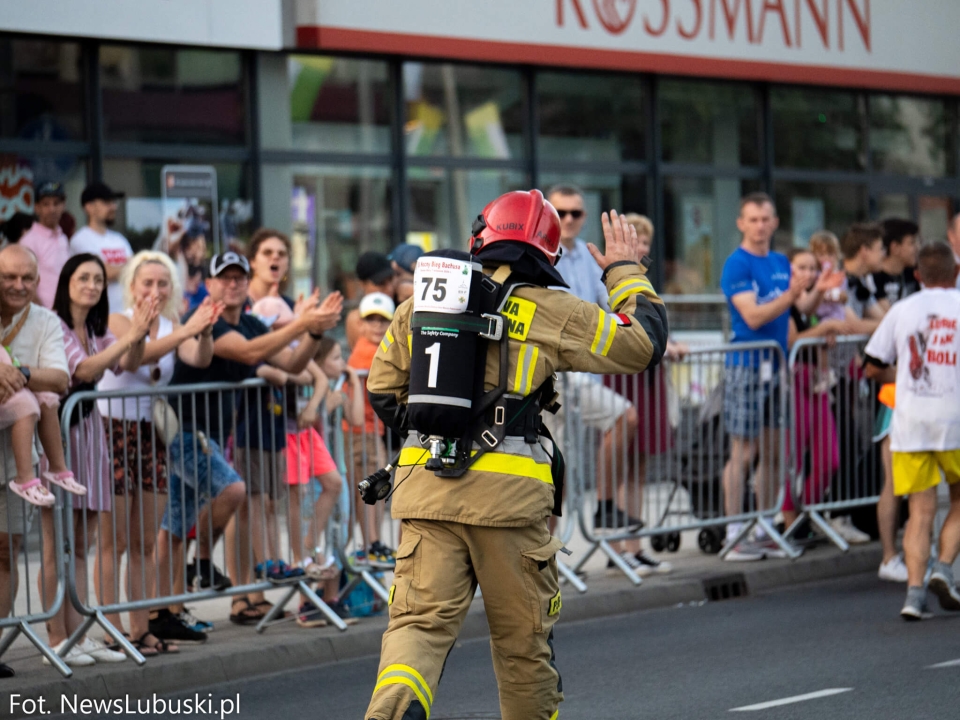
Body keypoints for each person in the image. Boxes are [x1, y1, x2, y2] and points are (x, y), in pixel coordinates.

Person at [363, 189, 667, 720]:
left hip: (426, 492)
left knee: (416, 630)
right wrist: (625, 272)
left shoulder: (424, 305)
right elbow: (641, 345)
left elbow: (382, 390)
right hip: (510, 505)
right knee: (521, 645)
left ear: (481, 239)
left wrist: (440, 433)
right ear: (546, 254)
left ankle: (393, 712)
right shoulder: (553, 310)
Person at [150, 252, 342, 641]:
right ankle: (200, 562)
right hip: (182, 430)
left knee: (173, 526)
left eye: (239, 277)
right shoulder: (208, 321)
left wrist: (314, 333)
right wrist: (301, 322)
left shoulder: (252, 322)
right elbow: (250, 353)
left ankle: (163, 611)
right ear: (212, 284)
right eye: (225, 277)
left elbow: (291, 365)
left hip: (213, 436)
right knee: (233, 489)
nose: (233, 283)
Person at [95, 251, 222, 656]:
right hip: (110, 429)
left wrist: (202, 330)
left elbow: (199, 359)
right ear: (131, 285)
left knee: (145, 540)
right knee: (113, 541)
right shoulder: (116, 318)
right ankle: (111, 626)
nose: (154, 290)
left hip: (150, 434)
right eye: (146, 283)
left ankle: (141, 627)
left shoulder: (174, 325)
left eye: (162, 283)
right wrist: (186, 331)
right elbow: (136, 357)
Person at [40, 252, 158, 667]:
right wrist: (131, 336)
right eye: (82, 277)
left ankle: (79, 633)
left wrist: (141, 330)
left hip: (91, 433)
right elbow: (85, 370)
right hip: (60, 434)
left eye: (96, 278)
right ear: (67, 281)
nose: (91, 285)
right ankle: (57, 636)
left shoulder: (94, 327)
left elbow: (129, 361)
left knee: (82, 540)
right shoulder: (53, 323)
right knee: (58, 540)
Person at [863, 242, 960, 620]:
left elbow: (871, 364)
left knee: (919, 511)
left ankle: (914, 596)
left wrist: (903, 378)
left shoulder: (902, 310)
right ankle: (945, 567)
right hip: (955, 421)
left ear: (917, 275)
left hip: (911, 422)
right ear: (955, 273)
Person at [546, 184, 641, 531]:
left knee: (562, 468)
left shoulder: (588, 255)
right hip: (555, 376)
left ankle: (602, 507)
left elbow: (614, 304)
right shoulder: (541, 253)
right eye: (560, 212)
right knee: (555, 471)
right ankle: (545, 559)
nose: (568, 219)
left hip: (583, 374)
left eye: (576, 213)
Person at [720, 193, 804, 561]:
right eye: (752, 219)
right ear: (741, 222)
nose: (760, 226)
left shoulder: (781, 261)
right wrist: (793, 295)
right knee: (743, 450)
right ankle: (734, 531)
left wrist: (813, 293)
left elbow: (793, 313)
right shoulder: (736, 265)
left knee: (773, 451)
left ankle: (764, 523)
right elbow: (753, 317)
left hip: (777, 366)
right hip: (746, 366)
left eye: (766, 219)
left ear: (775, 222)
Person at [0, 244, 70, 678]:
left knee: (5, 553)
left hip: (13, 450)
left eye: (27, 278)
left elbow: (61, 378)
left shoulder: (44, 321)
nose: (19, 285)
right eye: (9, 277)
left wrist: (18, 371)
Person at [604, 213, 688, 574]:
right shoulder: (609, 278)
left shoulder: (643, 278)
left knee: (640, 467)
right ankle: (618, 546)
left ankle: (634, 546)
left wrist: (670, 343)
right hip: (624, 375)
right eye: (635, 241)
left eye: (646, 243)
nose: (642, 249)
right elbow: (620, 325)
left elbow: (653, 322)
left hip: (648, 374)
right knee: (622, 467)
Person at [294, 337, 365, 628]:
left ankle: (332, 597)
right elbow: (306, 420)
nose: (342, 363)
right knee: (316, 535)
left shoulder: (338, 388)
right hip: (314, 474)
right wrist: (325, 403)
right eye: (336, 358)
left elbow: (358, 418)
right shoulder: (311, 390)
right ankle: (308, 600)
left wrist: (353, 384)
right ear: (320, 363)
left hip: (339, 468)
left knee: (340, 531)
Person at [781, 248, 846, 534]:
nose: (809, 273)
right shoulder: (784, 301)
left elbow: (816, 320)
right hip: (794, 380)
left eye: (812, 268)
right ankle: (789, 519)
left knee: (829, 459)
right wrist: (826, 329)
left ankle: (805, 513)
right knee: (791, 456)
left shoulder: (812, 303)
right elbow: (793, 339)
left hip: (817, 381)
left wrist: (825, 334)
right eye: (802, 268)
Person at [346, 291, 397, 565]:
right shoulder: (369, 351)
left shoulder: (374, 347)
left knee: (373, 485)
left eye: (383, 320)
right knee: (371, 486)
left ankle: (372, 543)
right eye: (371, 320)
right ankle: (371, 545)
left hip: (367, 429)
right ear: (361, 325)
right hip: (359, 432)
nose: (377, 325)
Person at [70, 182, 134, 314]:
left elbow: (138, 270)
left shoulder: (119, 239)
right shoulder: (80, 239)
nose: (114, 206)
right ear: (89, 207)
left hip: (127, 313)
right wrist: (128, 266)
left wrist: (119, 269)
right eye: (107, 202)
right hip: (99, 317)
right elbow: (102, 273)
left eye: (113, 202)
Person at [17, 181, 71, 309]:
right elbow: (24, 283)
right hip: (44, 316)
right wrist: (45, 314)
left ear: (63, 206)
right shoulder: (29, 241)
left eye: (56, 203)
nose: (52, 209)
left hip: (65, 314)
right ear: (37, 208)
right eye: (46, 204)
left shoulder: (63, 237)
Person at [345, 251, 396, 348]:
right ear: (362, 284)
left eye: (391, 280)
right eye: (381, 283)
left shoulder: (402, 305)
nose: (389, 288)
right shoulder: (356, 318)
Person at [873, 219, 920, 312]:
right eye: (912, 243)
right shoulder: (874, 279)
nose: (917, 247)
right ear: (895, 248)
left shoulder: (914, 273)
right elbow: (888, 316)